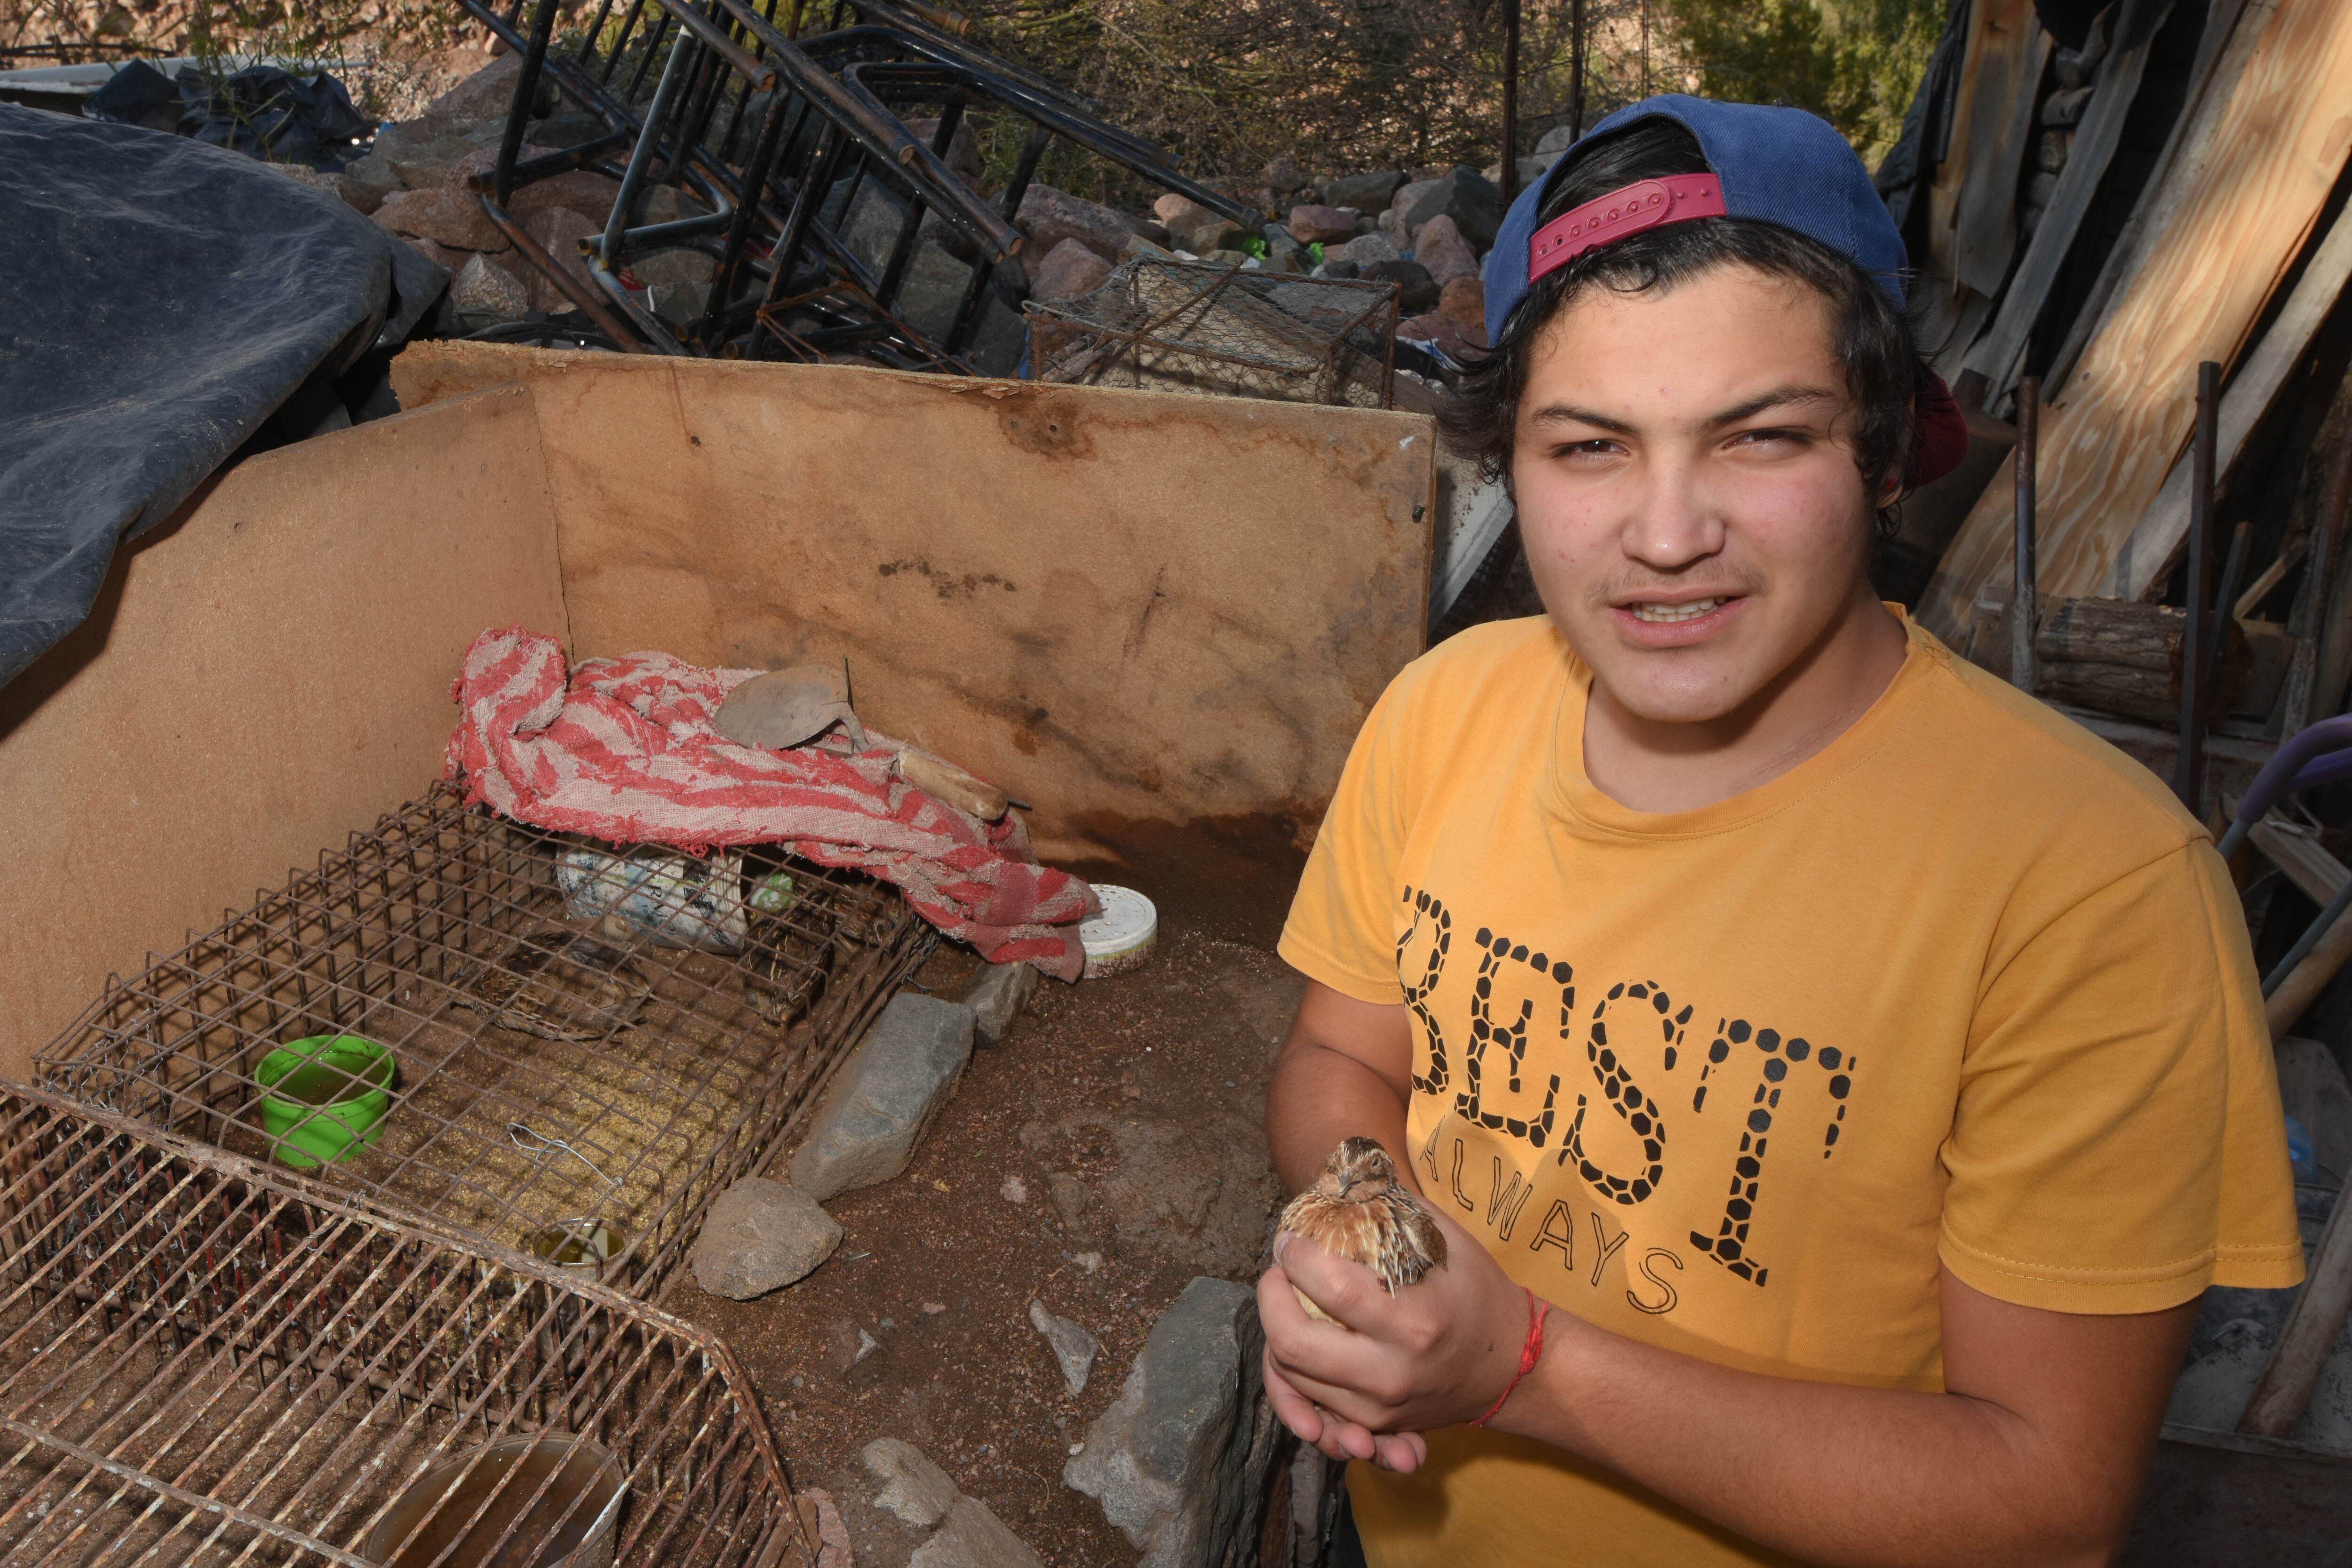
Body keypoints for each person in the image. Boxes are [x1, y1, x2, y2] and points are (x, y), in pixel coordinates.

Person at [1258, 95, 2303, 1568]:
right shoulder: (1445, 712)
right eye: (1590, 448)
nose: (1668, 532)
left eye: (1758, 437)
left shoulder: (2090, 892)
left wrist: (1517, 1366)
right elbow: (1342, 1060)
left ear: (1883, 455)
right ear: (1512, 464)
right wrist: (1363, 1259)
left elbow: (2047, 1506)